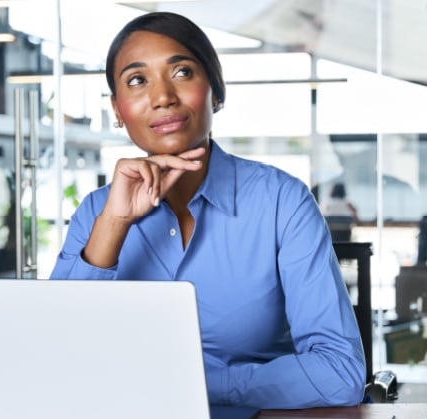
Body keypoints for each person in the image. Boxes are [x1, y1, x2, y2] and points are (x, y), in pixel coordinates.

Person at [50, 12, 365, 409]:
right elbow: (55, 354)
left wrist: (195, 386)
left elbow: (340, 375)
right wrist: (114, 224)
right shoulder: (97, 211)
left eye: (181, 72)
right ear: (117, 109)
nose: (162, 96)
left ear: (216, 92)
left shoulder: (282, 202)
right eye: (137, 80)